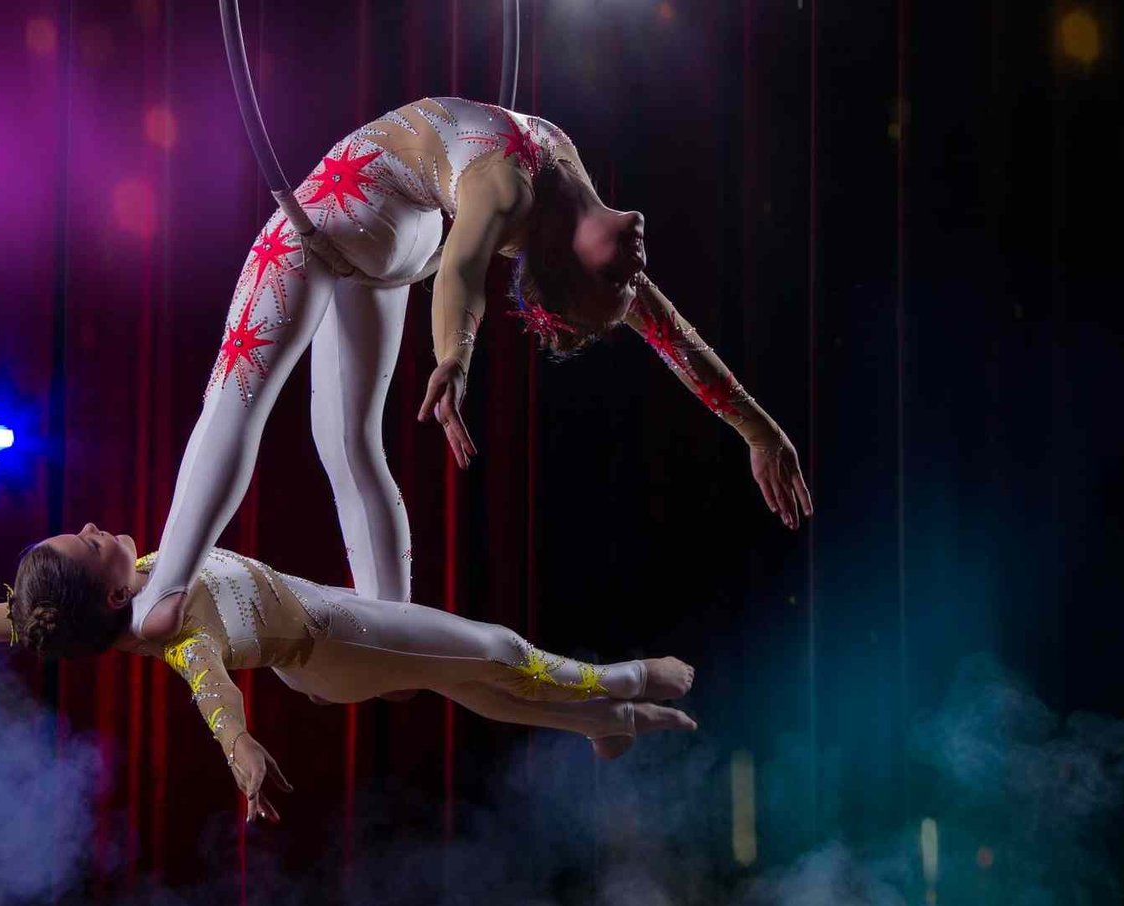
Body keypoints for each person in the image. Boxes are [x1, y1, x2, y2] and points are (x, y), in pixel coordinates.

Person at [132, 97, 812, 644]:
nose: (638, 277)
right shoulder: (558, 188)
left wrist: (453, 358)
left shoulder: (513, 191)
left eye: (619, 281)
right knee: (348, 442)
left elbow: (462, 272)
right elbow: (672, 334)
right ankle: (391, 625)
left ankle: (165, 592)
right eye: (629, 284)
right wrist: (759, 430)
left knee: (235, 402)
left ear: (564, 263)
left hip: (340, 213)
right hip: (397, 238)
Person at [0, 524, 698, 823]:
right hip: (341, 641)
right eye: (89, 544)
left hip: (328, 645)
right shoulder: (172, 622)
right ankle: (628, 681)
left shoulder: (82, 612)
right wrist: (238, 748)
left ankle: (604, 726)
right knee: (496, 654)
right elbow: (211, 688)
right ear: (113, 593)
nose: (93, 525)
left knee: (471, 685)